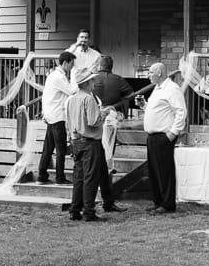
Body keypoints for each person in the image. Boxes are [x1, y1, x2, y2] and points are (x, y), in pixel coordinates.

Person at [81, 56, 135, 209]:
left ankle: (102, 201)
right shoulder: (117, 79)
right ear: (112, 66)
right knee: (106, 159)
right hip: (108, 120)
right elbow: (130, 94)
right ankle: (96, 203)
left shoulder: (91, 81)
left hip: (89, 129)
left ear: (99, 66)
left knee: (100, 165)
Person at [141, 61, 188, 214]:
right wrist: (144, 105)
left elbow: (181, 111)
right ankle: (158, 200)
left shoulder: (172, 89)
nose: (148, 75)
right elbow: (159, 109)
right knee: (154, 171)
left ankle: (167, 203)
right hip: (152, 135)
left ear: (159, 73)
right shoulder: (157, 88)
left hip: (163, 135)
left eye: (150, 73)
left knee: (164, 170)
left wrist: (173, 133)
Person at [63, 83, 108, 221]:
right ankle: (88, 211)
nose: (94, 83)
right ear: (87, 83)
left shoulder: (71, 99)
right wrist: (104, 114)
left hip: (76, 140)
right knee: (90, 177)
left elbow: (68, 122)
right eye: (92, 80)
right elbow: (93, 121)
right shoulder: (88, 99)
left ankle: (75, 209)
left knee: (79, 177)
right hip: (90, 142)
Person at [37, 50, 76, 185]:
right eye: (71, 64)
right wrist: (76, 77)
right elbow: (72, 91)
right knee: (61, 149)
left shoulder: (52, 75)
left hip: (50, 115)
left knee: (48, 148)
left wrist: (44, 113)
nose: (72, 67)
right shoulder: (59, 77)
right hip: (57, 116)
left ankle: (42, 175)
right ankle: (60, 177)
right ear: (65, 63)